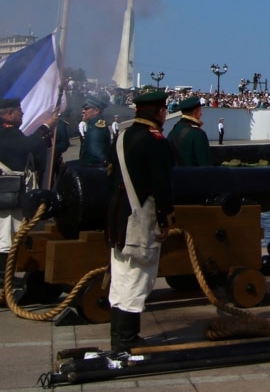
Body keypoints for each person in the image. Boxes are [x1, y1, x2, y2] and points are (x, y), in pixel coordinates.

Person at [105, 88, 175, 353]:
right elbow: (162, 186)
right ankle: (127, 338)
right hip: (140, 217)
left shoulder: (122, 136)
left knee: (121, 274)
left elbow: (111, 176)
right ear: (159, 112)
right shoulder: (155, 141)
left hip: (118, 215)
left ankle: (119, 336)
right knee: (138, 275)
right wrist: (166, 219)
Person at [0, 97, 59, 296]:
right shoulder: (5, 133)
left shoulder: (7, 132)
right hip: (11, 190)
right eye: (19, 112)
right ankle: (2, 275)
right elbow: (27, 146)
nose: (22, 114)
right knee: (6, 233)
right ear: (9, 114)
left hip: (12, 190)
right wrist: (46, 126)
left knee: (5, 232)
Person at [167, 97, 212, 166]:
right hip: (192, 176)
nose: (201, 114)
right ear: (195, 111)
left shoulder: (172, 132)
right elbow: (205, 165)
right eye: (200, 111)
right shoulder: (198, 134)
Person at [79, 98, 113, 167]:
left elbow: (96, 152)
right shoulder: (92, 124)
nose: (83, 111)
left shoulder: (97, 127)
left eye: (86, 109)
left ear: (96, 111)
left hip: (93, 168)